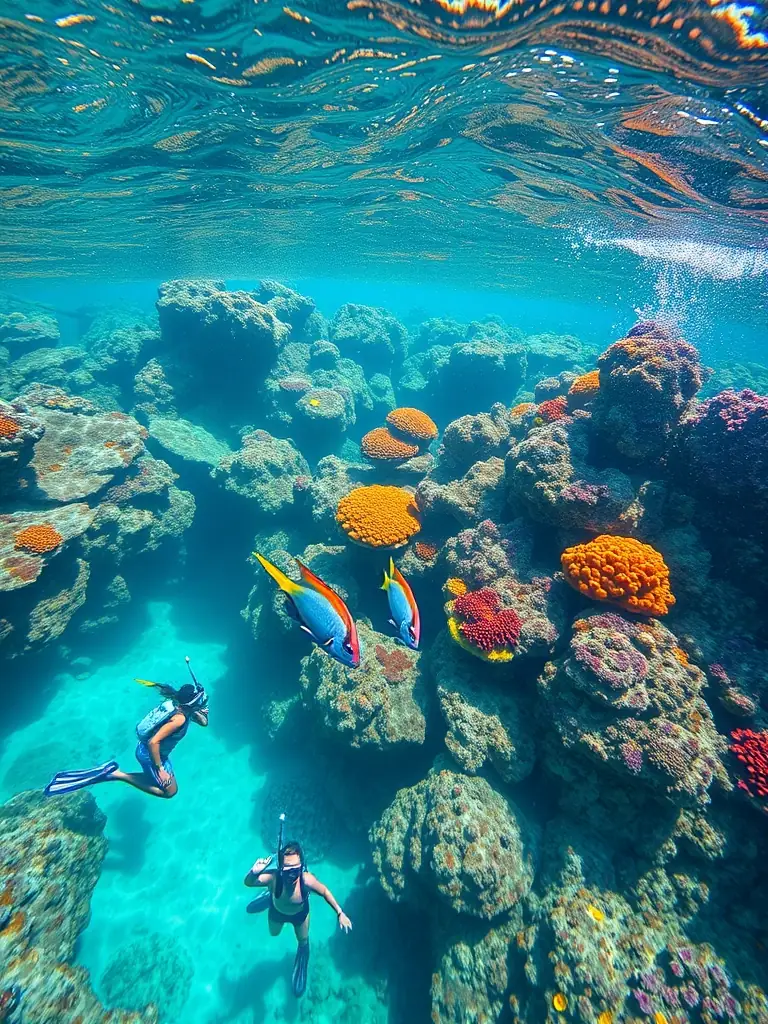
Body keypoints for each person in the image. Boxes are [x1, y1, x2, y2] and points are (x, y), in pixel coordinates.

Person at [44, 661, 208, 799]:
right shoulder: (179, 719)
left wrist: (198, 711)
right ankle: (117, 774)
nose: (203, 702)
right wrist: (160, 769)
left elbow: (203, 722)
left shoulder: (175, 702)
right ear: (191, 705)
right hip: (150, 754)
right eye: (200, 700)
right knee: (169, 792)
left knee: (168, 787)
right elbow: (154, 741)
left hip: (149, 750)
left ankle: (122, 774)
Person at [244, 839, 352, 997]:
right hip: (277, 911)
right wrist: (254, 871)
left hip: (299, 915)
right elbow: (248, 883)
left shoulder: (306, 879)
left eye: (297, 870)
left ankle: (302, 960)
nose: (292, 875)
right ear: (280, 868)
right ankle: (270, 895)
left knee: (303, 941)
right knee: (274, 933)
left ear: (302, 867)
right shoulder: (274, 877)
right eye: (288, 870)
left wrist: (340, 912)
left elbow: (324, 892)